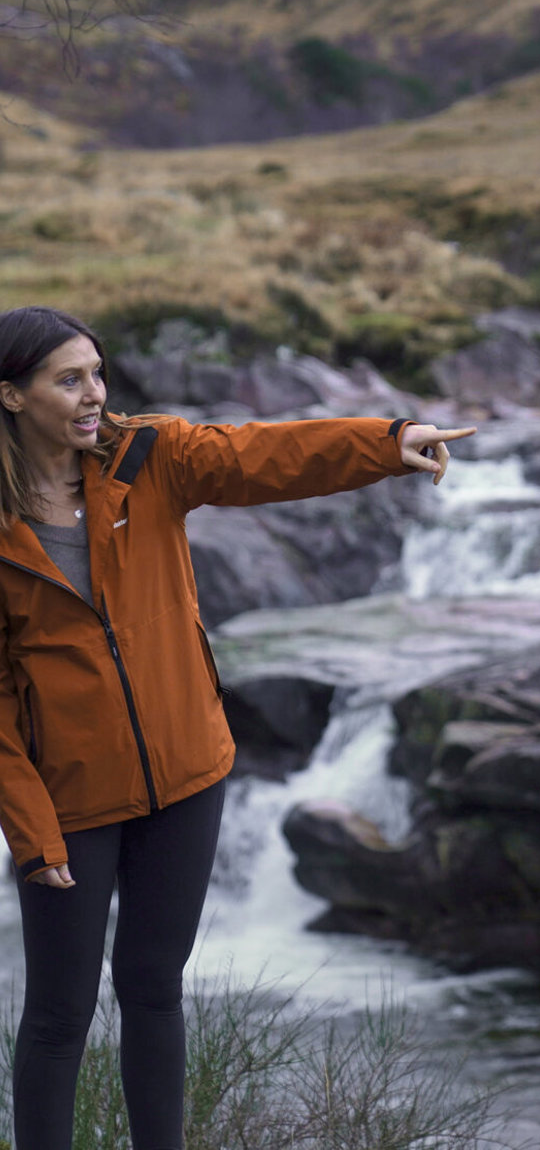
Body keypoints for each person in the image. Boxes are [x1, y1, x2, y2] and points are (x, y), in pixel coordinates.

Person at [0, 304, 475, 1150]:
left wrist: (386, 440)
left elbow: (264, 455)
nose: (94, 396)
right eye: (68, 380)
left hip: (188, 775)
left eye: (98, 374)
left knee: (152, 987)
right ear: (10, 395)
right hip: (70, 798)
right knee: (58, 1015)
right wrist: (35, 837)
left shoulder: (148, 458)